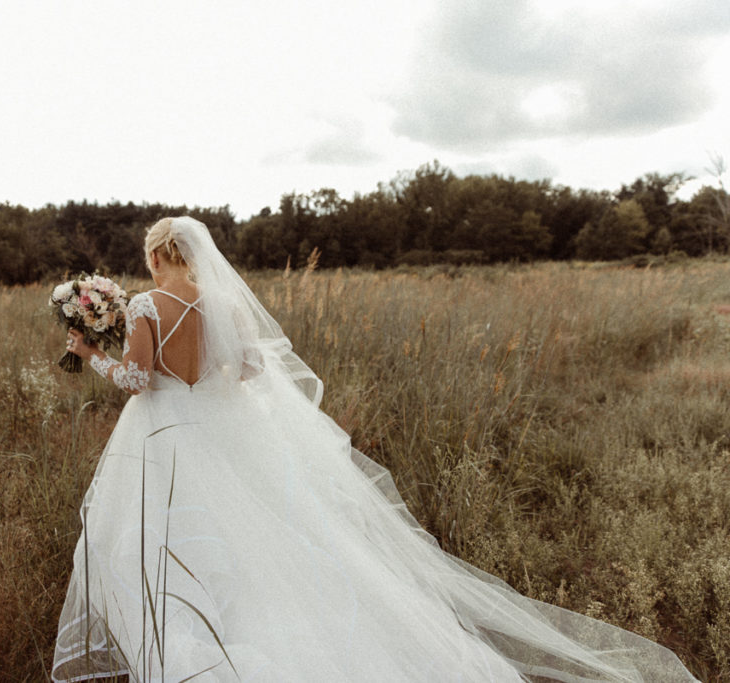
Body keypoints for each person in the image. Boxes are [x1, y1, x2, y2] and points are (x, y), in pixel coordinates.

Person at [52, 216, 697, 682]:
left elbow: (140, 380)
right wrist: (207, 372)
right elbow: (249, 371)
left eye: (149, 256)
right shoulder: (221, 302)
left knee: (163, 541)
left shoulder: (144, 304)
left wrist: (94, 356)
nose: (148, 266)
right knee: (261, 540)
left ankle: (190, 646)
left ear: (159, 254)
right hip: (222, 429)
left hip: (165, 432)